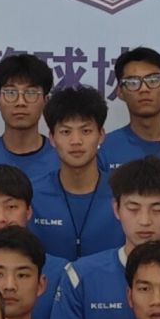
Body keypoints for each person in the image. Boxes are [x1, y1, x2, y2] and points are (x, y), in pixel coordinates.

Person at [50, 157, 160, 319]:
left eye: (157, 209)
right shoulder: (80, 277)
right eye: (133, 209)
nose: (145, 221)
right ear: (116, 209)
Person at [35, 87, 112, 258]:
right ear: (52, 138)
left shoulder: (123, 194)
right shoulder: (32, 196)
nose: (76, 141)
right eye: (65, 132)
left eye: (86, 131)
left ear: (101, 135)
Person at [0, 52, 59, 188]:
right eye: (11, 93)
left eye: (31, 93)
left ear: (45, 101)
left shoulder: (62, 158)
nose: (20, 102)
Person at [102, 46, 160, 169]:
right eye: (132, 83)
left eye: (153, 80)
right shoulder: (104, 148)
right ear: (120, 92)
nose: (144, 89)